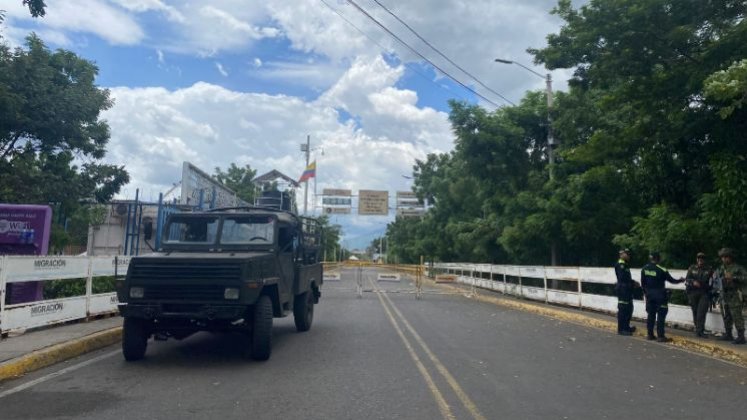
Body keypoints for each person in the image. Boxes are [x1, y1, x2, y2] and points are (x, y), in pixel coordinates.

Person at [641, 251, 684, 342]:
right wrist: (680, 280)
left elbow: (643, 283)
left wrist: (646, 293)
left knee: (651, 315)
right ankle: (660, 336)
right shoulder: (662, 269)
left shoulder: (644, 269)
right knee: (661, 315)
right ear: (658, 259)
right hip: (660, 295)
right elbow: (672, 280)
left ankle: (650, 334)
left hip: (649, 295)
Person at [715, 248, 746, 344]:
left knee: (736, 315)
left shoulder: (738, 268)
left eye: (726, 257)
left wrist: (734, 278)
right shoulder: (721, 268)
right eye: (722, 257)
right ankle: (728, 334)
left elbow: (745, 278)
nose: (724, 259)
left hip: (735, 294)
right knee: (726, 314)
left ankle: (741, 337)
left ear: (730, 257)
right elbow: (716, 279)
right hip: (724, 294)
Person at [685, 252, 713, 338]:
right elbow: (687, 280)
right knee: (695, 311)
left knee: (701, 312)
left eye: (702, 258)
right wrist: (693, 282)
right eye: (698, 258)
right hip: (693, 292)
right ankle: (698, 329)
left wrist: (705, 286)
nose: (700, 260)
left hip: (704, 293)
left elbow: (712, 283)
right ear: (697, 259)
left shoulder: (709, 269)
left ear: (704, 260)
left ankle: (700, 331)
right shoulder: (692, 268)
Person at [615, 249, 638, 335]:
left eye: (629, 254)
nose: (628, 256)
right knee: (623, 309)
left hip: (627, 289)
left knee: (629, 308)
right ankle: (621, 329)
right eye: (627, 254)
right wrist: (633, 283)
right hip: (623, 289)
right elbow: (622, 278)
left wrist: (633, 282)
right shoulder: (620, 265)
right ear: (621, 254)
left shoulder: (625, 265)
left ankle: (626, 326)